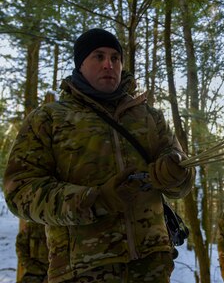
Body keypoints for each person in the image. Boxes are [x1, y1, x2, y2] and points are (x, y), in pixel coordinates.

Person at [3, 28, 195, 283]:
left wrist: (175, 174)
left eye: (115, 58)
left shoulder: (149, 117)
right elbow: (20, 191)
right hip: (82, 270)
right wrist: (93, 200)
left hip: (153, 266)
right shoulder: (49, 119)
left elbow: (183, 176)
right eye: (99, 56)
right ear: (80, 63)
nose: (109, 64)